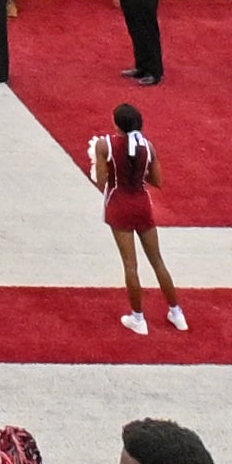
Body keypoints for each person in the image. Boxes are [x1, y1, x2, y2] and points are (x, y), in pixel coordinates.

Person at [96, 102, 182, 342]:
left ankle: (138, 318)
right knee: (157, 261)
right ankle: (177, 312)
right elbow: (158, 181)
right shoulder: (148, 146)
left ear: (116, 124)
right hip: (142, 205)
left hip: (119, 206)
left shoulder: (105, 145)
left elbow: (101, 179)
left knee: (130, 265)